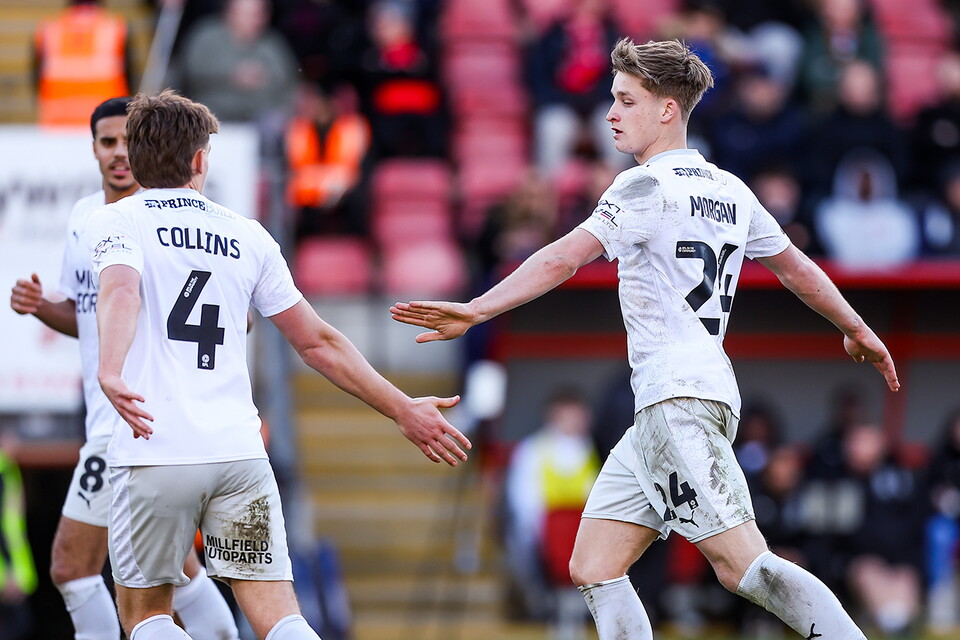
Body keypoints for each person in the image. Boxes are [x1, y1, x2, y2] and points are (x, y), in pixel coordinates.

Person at [391, 38, 900, 640]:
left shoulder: (643, 187)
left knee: (745, 567)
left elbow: (562, 258)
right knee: (595, 565)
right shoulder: (731, 190)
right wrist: (857, 328)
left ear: (666, 110)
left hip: (675, 398)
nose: (610, 112)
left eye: (625, 100)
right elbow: (799, 270)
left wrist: (477, 309)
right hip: (683, 398)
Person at [86, 89, 471, 640]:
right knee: (279, 616)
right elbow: (316, 342)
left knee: (146, 614)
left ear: (138, 157)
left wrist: (110, 369)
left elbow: (121, 290)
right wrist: (401, 407)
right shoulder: (247, 234)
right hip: (239, 456)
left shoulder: (118, 220)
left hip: (155, 451)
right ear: (200, 161)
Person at [9, 97, 240, 640]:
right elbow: (92, 313)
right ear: (92, 148)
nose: (118, 154)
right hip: (109, 418)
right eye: (107, 142)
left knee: (75, 567)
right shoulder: (85, 217)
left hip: (131, 423)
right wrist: (42, 305)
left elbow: (226, 317)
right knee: (173, 570)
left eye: (126, 142)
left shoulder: (165, 221)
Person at [33, 0, 132, 127]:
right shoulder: (115, 28)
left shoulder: (50, 29)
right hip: (107, 122)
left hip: (58, 124)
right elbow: (129, 75)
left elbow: (36, 76)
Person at [0, 433, 38, 640]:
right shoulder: (3, 469)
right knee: (19, 627)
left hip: (9, 573)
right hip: (6, 575)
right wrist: (10, 572)